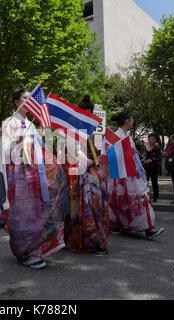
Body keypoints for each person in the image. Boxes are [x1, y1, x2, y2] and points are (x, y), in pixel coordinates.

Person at [0, 88, 67, 268]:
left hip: (35, 174)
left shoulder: (31, 124)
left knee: (37, 211)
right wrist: (16, 142)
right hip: (19, 175)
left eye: (31, 98)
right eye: (24, 98)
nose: (29, 101)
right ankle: (24, 251)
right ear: (16, 101)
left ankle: (35, 251)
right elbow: (4, 151)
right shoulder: (9, 122)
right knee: (23, 213)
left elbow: (42, 150)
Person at [106, 111, 164, 239]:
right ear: (127, 120)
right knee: (138, 197)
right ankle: (146, 228)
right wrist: (127, 151)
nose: (133, 120)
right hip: (123, 174)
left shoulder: (126, 136)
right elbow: (111, 155)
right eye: (132, 118)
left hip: (130, 173)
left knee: (127, 199)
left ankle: (141, 227)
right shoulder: (116, 136)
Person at [63, 95, 109, 255]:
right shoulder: (72, 129)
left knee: (97, 203)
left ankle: (96, 238)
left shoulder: (90, 130)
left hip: (92, 171)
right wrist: (87, 161)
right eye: (86, 113)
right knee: (87, 204)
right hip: (80, 172)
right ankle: (93, 239)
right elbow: (73, 151)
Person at [142, 133, 162, 202]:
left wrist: (151, 160)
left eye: (153, 139)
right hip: (145, 168)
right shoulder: (145, 147)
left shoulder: (157, 148)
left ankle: (155, 197)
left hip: (154, 168)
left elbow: (159, 158)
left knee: (154, 183)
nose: (151, 140)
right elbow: (143, 156)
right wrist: (143, 160)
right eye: (150, 139)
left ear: (156, 140)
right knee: (145, 182)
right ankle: (145, 196)